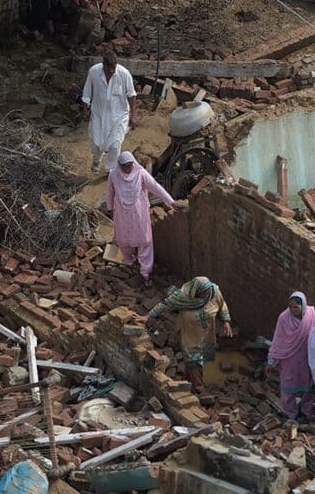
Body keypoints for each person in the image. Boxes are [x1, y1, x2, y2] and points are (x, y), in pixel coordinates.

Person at [147, 277, 233, 388]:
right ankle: (198, 387)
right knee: (192, 360)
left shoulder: (214, 291)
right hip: (189, 334)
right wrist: (147, 316)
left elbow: (222, 304)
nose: (207, 295)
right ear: (196, 292)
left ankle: (189, 378)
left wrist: (226, 321)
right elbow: (165, 304)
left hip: (207, 334)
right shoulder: (183, 296)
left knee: (203, 357)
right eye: (204, 293)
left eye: (209, 292)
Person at [106, 152, 175, 286]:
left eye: (129, 165)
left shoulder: (141, 173)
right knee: (124, 240)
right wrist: (110, 208)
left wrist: (171, 202)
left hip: (139, 213)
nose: (127, 168)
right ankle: (129, 263)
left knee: (144, 241)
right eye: (124, 166)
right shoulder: (113, 175)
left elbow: (155, 187)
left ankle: (145, 272)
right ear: (119, 165)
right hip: (122, 213)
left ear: (133, 163)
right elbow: (109, 192)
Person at [82, 51, 137, 173]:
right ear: (103, 65)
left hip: (119, 116)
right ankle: (96, 160)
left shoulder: (124, 74)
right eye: (109, 67)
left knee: (115, 145)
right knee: (96, 144)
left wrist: (133, 115)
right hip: (98, 114)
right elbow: (87, 93)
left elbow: (131, 95)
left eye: (114, 67)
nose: (112, 70)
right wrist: (85, 109)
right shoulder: (94, 72)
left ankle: (110, 171)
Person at [267, 292, 315, 420]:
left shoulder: (312, 316)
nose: (293, 310)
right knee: (288, 387)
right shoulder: (284, 318)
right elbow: (278, 339)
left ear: (303, 305)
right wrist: (271, 361)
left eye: (296, 307)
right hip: (289, 358)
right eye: (291, 307)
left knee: (308, 385)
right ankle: (290, 414)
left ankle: (307, 410)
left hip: (306, 357)